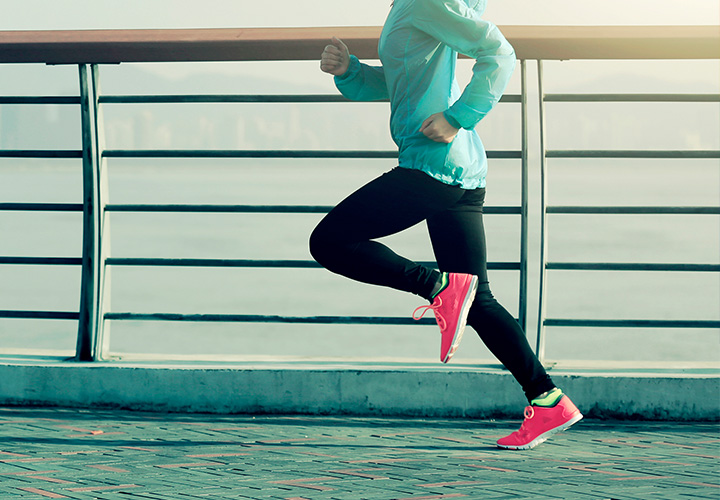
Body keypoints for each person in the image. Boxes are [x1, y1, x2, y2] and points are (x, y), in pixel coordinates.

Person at [310, 0, 582, 450]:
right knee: (478, 298)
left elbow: (500, 52)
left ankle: (437, 287)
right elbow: (407, 84)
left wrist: (459, 117)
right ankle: (547, 398)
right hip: (458, 171)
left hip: (432, 167)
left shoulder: (424, 2)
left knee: (330, 241)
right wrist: (351, 71)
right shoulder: (416, 6)